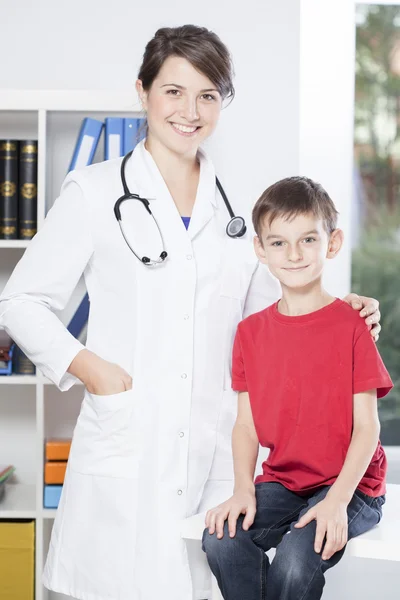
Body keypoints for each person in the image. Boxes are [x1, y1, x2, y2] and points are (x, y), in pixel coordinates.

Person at [0, 26, 381, 600]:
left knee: (210, 576)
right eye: (174, 91)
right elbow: (21, 300)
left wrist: (338, 311)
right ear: (143, 92)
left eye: (208, 95)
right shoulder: (94, 192)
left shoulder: (238, 211)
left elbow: (271, 317)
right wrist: (89, 368)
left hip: (217, 452)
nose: (190, 110)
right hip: (129, 435)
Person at [202, 176, 393, 600]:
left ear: (332, 242)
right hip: (286, 483)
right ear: (259, 249)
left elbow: (368, 430)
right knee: (221, 539)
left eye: (308, 239)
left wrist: (338, 501)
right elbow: (246, 427)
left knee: (293, 561)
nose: (294, 254)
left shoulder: (351, 325)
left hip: (352, 485)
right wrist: (242, 490)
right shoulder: (250, 333)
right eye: (278, 242)